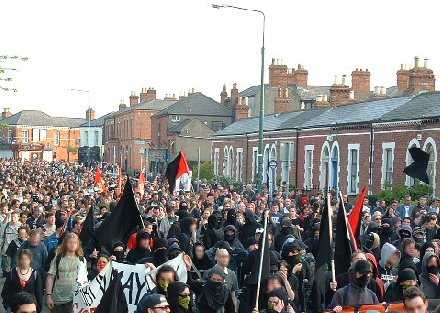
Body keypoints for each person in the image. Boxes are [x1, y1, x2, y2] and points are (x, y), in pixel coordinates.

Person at [46, 232, 88, 313]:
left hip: (74, 299)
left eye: (75, 242)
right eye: (70, 242)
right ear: (65, 243)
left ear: (78, 244)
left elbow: (84, 280)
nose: (72, 244)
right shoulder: (58, 258)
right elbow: (50, 277)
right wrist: (48, 296)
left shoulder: (82, 260)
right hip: (58, 299)